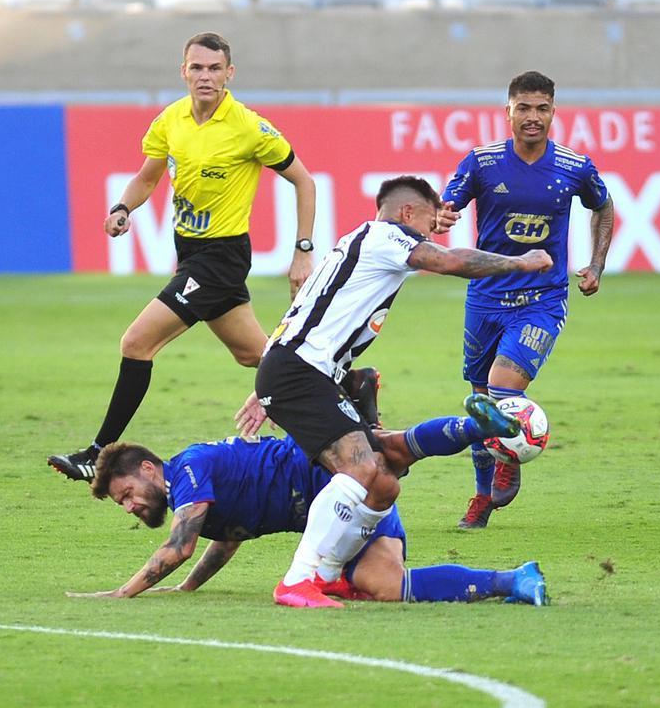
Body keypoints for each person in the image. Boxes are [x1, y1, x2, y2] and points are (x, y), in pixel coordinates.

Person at [253, 175, 552, 608]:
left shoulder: (361, 241)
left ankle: (329, 575)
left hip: (300, 370)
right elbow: (449, 261)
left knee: (383, 481)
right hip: (300, 371)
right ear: (407, 213)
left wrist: (269, 374)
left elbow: (307, 311)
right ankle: (297, 581)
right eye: (428, 224)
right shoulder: (385, 236)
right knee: (360, 469)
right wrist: (520, 262)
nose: (431, 236)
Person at [49, 32, 317, 482]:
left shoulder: (250, 128)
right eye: (197, 67)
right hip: (190, 253)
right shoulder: (171, 120)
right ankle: (349, 400)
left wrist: (303, 250)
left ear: (230, 73)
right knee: (258, 356)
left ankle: (98, 454)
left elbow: (304, 181)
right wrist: (122, 207)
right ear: (184, 71)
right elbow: (146, 178)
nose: (205, 76)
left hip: (221, 258)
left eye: (215, 68)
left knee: (136, 343)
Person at [71, 400, 547, 606]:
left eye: (127, 493)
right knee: (386, 586)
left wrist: (121, 593)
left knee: (389, 451)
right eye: (122, 504)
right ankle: (514, 579)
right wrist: (188, 588)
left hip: (317, 468)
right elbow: (228, 537)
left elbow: (179, 547)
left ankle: (478, 427)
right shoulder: (195, 494)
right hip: (332, 513)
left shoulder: (189, 471)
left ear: (149, 468)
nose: (130, 506)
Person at [436, 71, 615, 530]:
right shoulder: (482, 162)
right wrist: (442, 214)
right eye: (524, 108)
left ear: (554, 112)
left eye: (541, 109)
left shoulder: (575, 166)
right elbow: (448, 203)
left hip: (542, 299)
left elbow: (603, 206)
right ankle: (481, 496)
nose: (532, 117)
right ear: (508, 112)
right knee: (479, 401)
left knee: (501, 389)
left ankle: (510, 455)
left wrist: (596, 264)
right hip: (485, 297)